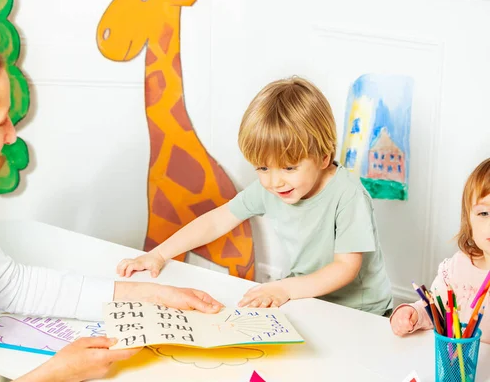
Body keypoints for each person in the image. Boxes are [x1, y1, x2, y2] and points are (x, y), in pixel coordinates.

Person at [0, 30, 222, 382]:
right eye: (0, 121)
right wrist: (57, 374)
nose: (11, 136)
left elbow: (10, 284)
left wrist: (151, 295)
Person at [117, 76, 393, 316]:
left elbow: (345, 267)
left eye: (289, 167)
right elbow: (217, 221)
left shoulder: (348, 195)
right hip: (307, 298)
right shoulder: (272, 187)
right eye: (262, 167)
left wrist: (283, 288)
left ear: (323, 157)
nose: (274, 181)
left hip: (361, 311)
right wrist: (159, 254)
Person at [390, 158, 490, 342]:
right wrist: (413, 314)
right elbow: (435, 310)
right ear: (469, 220)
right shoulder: (457, 268)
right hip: (458, 367)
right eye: (484, 213)